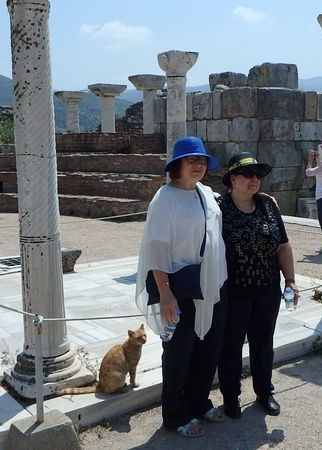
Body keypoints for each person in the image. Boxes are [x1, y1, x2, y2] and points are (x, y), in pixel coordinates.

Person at [134, 136, 228, 438]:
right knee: (178, 352)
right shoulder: (165, 198)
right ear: (178, 165)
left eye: (202, 160)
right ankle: (174, 414)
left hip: (212, 283)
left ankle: (198, 401)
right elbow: (156, 248)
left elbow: (221, 210)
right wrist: (165, 293)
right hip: (180, 288)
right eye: (192, 160)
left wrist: (262, 198)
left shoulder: (205, 192)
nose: (198, 165)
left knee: (207, 347)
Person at [217, 152, 298, 419]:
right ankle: (231, 396)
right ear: (232, 179)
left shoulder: (268, 205)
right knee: (231, 346)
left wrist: (291, 281)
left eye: (258, 175)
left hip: (267, 289)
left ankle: (264, 392)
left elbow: (283, 246)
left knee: (263, 344)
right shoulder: (218, 208)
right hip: (235, 292)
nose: (255, 179)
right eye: (248, 174)